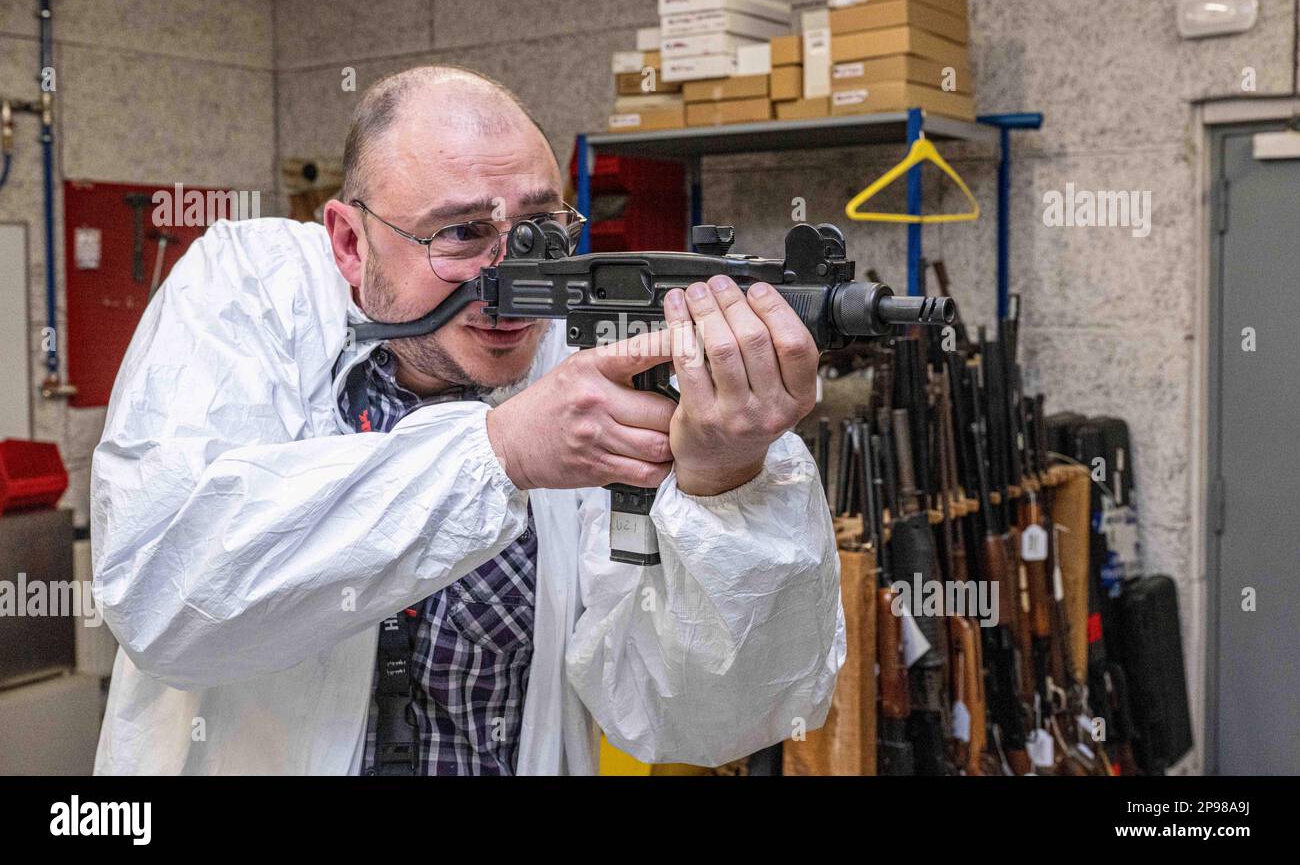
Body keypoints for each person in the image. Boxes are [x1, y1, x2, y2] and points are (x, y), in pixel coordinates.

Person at [91, 66, 844, 775]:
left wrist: (724, 482)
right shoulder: (250, 292)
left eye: (541, 231)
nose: (512, 287)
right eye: (460, 235)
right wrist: (501, 450)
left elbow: (689, 718)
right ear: (352, 243)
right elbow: (167, 599)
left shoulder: (578, 364)